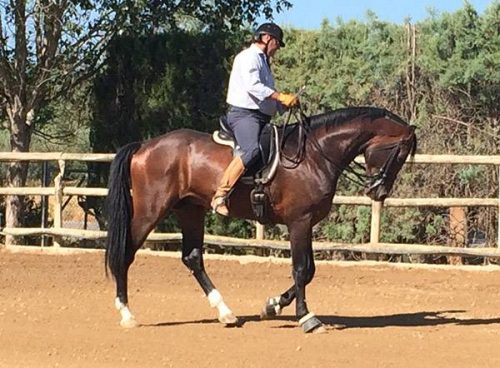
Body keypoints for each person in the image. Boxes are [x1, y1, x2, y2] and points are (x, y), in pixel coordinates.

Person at [211, 23, 300, 216]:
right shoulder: (248, 57)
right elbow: (253, 86)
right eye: (277, 43)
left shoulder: (264, 62)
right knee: (251, 150)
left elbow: (266, 98)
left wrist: (283, 104)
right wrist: (279, 96)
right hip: (244, 115)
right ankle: (221, 194)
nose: (277, 49)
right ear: (268, 38)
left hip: (261, 116)